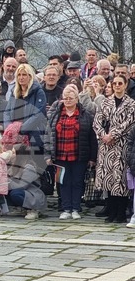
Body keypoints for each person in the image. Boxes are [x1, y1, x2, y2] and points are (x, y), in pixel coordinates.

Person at [45, 85, 97, 220]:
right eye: (65, 98)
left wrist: (92, 158)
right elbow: (48, 136)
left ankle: (76, 208)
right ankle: (66, 208)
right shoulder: (55, 115)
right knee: (63, 182)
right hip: (60, 155)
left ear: (76, 99)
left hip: (79, 155)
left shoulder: (86, 116)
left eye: (70, 98)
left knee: (77, 182)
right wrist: (48, 155)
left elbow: (92, 138)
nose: (67, 100)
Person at [93, 75, 135, 223]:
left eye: (120, 83)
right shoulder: (105, 102)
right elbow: (97, 121)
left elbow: (129, 122)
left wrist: (113, 134)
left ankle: (121, 213)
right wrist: (103, 135)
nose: (117, 86)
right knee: (108, 178)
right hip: (106, 145)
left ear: (125, 85)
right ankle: (111, 212)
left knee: (120, 179)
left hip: (122, 144)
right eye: (115, 83)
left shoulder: (131, 104)